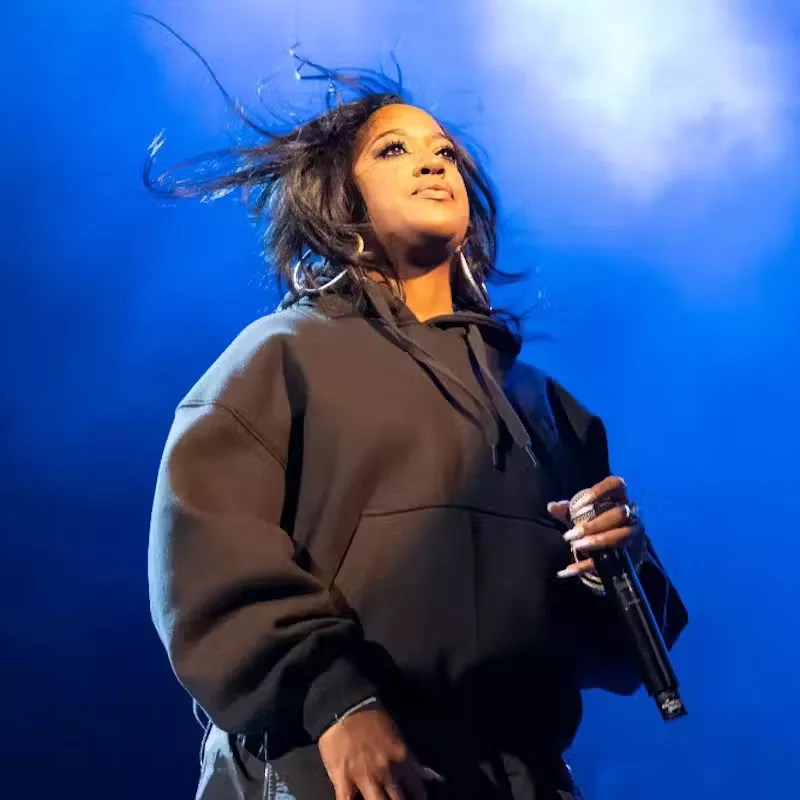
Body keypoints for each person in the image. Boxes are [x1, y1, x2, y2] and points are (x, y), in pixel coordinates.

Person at [147, 67, 687, 800]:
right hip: (326, 771)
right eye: (394, 150)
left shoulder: (549, 409)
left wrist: (617, 569)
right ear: (342, 199)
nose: (434, 163)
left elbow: (614, 656)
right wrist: (337, 701)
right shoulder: (281, 356)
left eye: (445, 152)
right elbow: (208, 559)